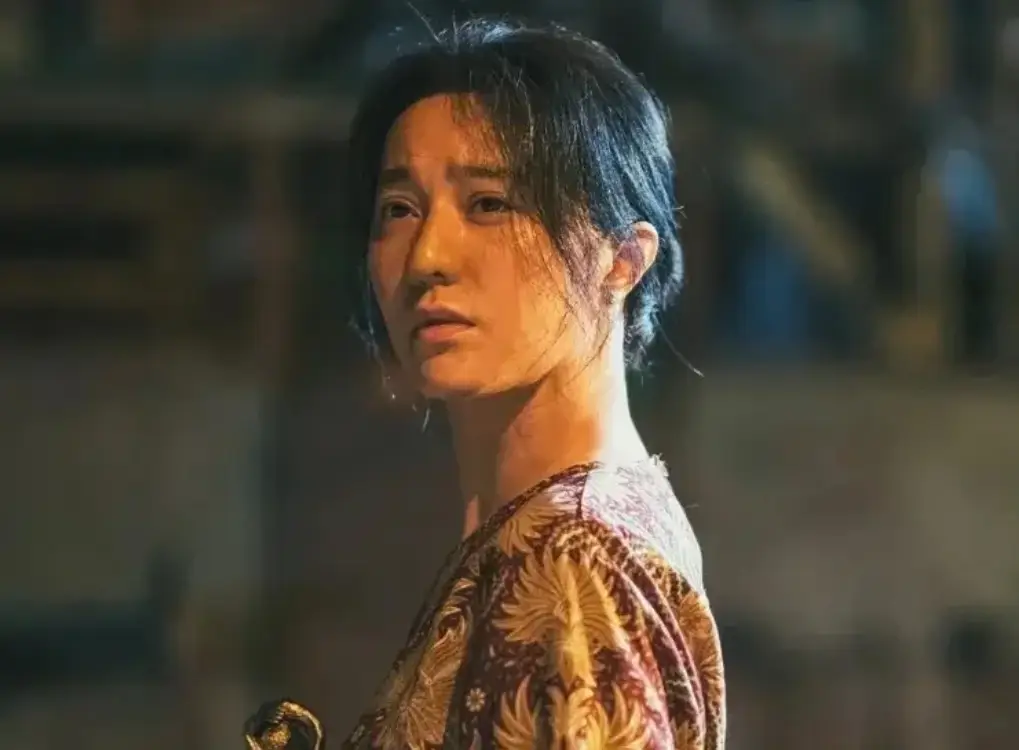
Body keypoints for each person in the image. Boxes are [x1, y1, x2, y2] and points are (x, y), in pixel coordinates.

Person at [245, 18, 725, 750]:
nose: (427, 257)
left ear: (622, 260)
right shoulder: (570, 523)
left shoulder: (574, 555)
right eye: (399, 210)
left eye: (489, 204)